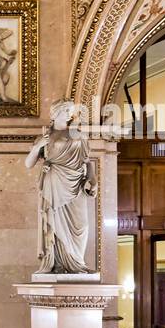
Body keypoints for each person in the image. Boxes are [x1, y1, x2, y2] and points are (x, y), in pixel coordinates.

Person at [26, 99, 97, 275]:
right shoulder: (44, 137)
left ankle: (77, 262)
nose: (70, 115)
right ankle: (58, 263)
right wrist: (37, 148)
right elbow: (28, 164)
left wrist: (93, 179)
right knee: (55, 222)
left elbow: (87, 162)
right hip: (54, 182)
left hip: (76, 185)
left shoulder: (78, 135)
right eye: (66, 111)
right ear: (56, 112)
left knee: (81, 225)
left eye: (70, 111)